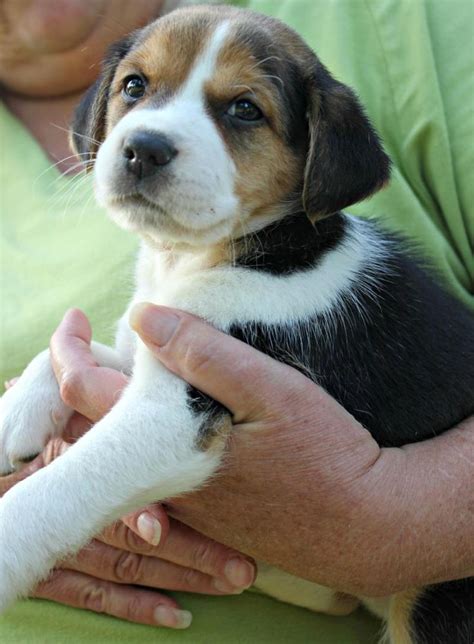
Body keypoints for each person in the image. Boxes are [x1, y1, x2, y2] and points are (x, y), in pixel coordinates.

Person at [0, 0, 473, 641]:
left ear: (316, 160)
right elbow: (157, 393)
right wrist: (48, 381)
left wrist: (16, 539)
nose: (150, 134)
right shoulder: (193, 270)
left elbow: (172, 426)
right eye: (136, 88)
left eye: (243, 110)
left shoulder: (293, 284)